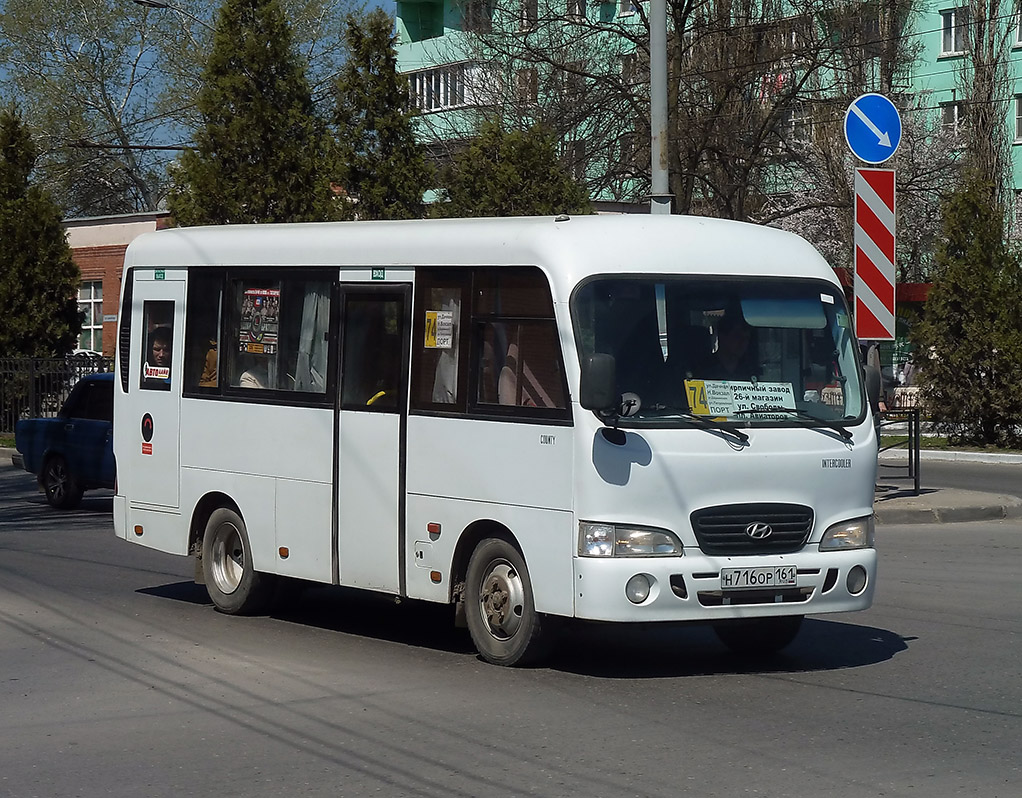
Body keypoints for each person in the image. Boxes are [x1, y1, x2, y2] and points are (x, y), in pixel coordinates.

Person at [705, 314, 755, 380]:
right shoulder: (705, 369)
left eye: (746, 338)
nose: (743, 342)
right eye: (738, 336)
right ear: (722, 336)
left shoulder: (751, 371)